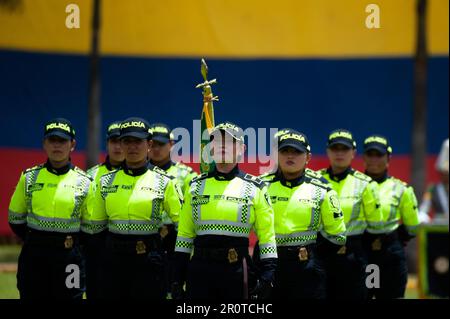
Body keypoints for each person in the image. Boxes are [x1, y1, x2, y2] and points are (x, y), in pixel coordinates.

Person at [172, 121, 277, 300]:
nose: (222, 145)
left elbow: (267, 236)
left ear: (242, 149)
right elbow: (184, 235)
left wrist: (268, 274)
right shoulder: (195, 186)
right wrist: (176, 276)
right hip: (199, 270)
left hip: (237, 270)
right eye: (217, 140)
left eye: (230, 142)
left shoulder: (255, 187)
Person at [87, 117, 182, 299]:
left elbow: (182, 227)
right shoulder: (105, 181)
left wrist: (171, 259)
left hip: (149, 262)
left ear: (149, 145)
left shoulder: (165, 181)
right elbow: (97, 229)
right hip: (113, 263)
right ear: (120, 145)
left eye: (138, 141)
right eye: (126, 141)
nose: (132, 147)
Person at [8, 118, 91, 299]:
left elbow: (91, 225)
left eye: (62, 141)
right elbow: (15, 218)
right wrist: (36, 239)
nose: (57, 145)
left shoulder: (85, 182)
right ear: (44, 144)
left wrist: (74, 244)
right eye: (52, 140)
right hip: (34, 255)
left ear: (72, 144)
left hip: (71, 258)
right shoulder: (29, 177)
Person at [259, 129, 346, 299]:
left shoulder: (322, 189)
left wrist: (313, 255)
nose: (290, 156)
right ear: (277, 155)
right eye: (285, 151)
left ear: (308, 157)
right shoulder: (261, 186)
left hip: (307, 268)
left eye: (297, 152)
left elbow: (338, 236)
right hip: (268, 265)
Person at [319, 129, 383, 300]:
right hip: (320, 252)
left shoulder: (366, 184)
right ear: (327, 151)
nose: (339, 153)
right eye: (335, 148)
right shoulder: (315, 180)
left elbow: (376, 225)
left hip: (354, 255)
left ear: (353, 153)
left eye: (344, 149)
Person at [362, 135, 420, 299]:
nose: (374, 159)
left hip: (391, 253)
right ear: (363, 157)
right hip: (362, 251)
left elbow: (413, 225)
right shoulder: (355, 185)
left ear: (388, 158)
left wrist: (396, 239)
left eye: (378, 155)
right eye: (370, 154)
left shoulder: (402, 188)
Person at [149, 122, 198, 297]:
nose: (156, 149)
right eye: (153, 144)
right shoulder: (141, 174)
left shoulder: (186, 175)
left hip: (176, 239)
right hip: (148, 238)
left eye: (161, 144)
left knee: (174, 289)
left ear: (171, 145)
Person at [81, 120, 124, 299]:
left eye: (123, 142)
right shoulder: (90, 175)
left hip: (126, 248)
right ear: (107, 144)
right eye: (114, 141)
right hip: (94, 250)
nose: (118, 147)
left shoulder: (146, 176)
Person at [419, 138, 449, 223]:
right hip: (438, 228)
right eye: (443, 172)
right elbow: (424, 209)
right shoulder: (432, 189)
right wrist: (422, 217)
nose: (445, 176)